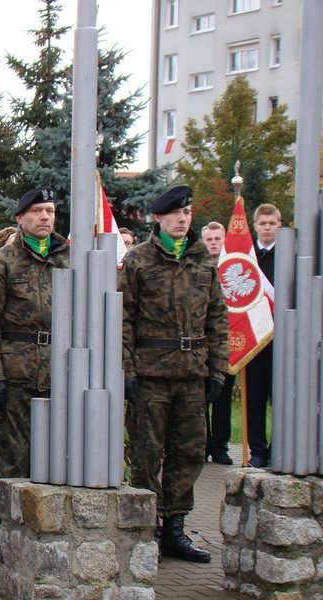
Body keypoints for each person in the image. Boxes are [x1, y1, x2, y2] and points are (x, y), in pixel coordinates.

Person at [118, 185, 227, 563]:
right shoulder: (139, 260)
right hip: (151, 374)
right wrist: (127, 369)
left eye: (188, 213)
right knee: (147, 455)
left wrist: (219, 368)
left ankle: (176, 529)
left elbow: (217, 318)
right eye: (177, 213)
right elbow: (124, 320)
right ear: (159, 218)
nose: (184, 219)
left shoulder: (203, 260)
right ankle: (146, 528)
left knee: (189, 452)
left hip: (192, 375)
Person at [0, 188, 70, 479]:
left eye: (49, 211)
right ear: (20, 217)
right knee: (15, 461)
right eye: (37, 211)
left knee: (60, 461)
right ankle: (12, 524)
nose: (44, 217)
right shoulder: (1, 262)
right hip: (16, 377)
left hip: (61, 374)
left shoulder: (69, 260)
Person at [244, 204, 281, 468]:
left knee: (278, 397)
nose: (267, 227)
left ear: (279, 225)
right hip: (253, 336)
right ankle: (257, 449)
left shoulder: (289, 254)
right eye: (263, 223)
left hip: (281, 337)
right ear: (255, 225)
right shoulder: (247, 256)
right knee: (254, 398)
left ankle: (278, 447)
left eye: (272, 223)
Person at [200, 221, 235, 465]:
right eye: (209, 239)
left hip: (228, 342)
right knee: (199, 400)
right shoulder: (198, 266)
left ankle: (221, 446)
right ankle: (203, 443)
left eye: (217, 238)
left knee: (222, 397)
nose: (213, 243)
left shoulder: (236, 265)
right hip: (200, 345)